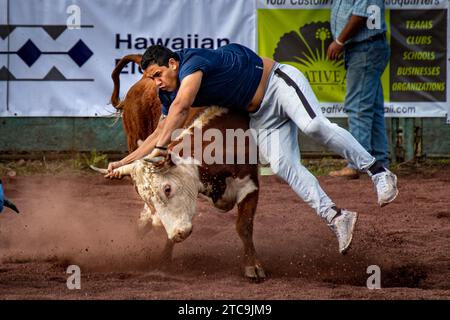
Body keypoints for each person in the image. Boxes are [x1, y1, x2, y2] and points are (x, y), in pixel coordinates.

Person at [106, 43, 398, 254]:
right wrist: (123, 163)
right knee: (283, 166)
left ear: (172, 63)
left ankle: (378, 171)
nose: (157, 83)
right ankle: (337, 217)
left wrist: (158, 150)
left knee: (313, 126)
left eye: (158, 75)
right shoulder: (169, 92)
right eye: (151, 79)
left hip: (278, 83)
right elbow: (160, 130)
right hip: (261, 115)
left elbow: (182, 109)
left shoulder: (192, 62)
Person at [327, 0, 390, 179]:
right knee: (372, 109)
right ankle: (379, 161)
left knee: (359, 108)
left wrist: (339, 41)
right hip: (365, 47)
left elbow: (361, 15)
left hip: (365, 47)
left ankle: (358, 164)